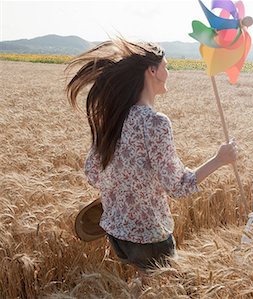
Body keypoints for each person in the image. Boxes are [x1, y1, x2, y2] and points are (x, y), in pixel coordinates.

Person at [66, 38, 238, 270]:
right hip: (149, 235)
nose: (168, 72)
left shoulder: (112, 117)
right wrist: (220, 159)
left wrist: (126, 187)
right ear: (152, 70)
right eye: (166, 66)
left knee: (142, 285)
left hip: (116, 232)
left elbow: (93, 174)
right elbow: (178, 186)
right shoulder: (155, 122)